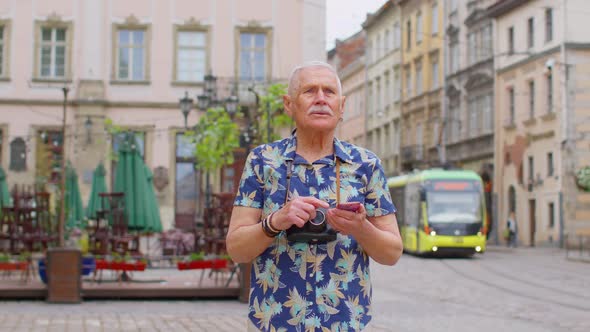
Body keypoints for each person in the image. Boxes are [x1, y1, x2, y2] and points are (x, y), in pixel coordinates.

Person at [226, 61, 403, 331]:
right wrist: (276, 221)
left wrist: (361, 228)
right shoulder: (263, 161)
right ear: (289, 104)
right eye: (309, 91)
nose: (321, 99)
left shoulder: (366, 164)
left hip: (345, 322)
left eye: (329, 92)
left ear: (341, 106)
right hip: (274, 322)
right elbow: (236, 249)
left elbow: (392, 253)